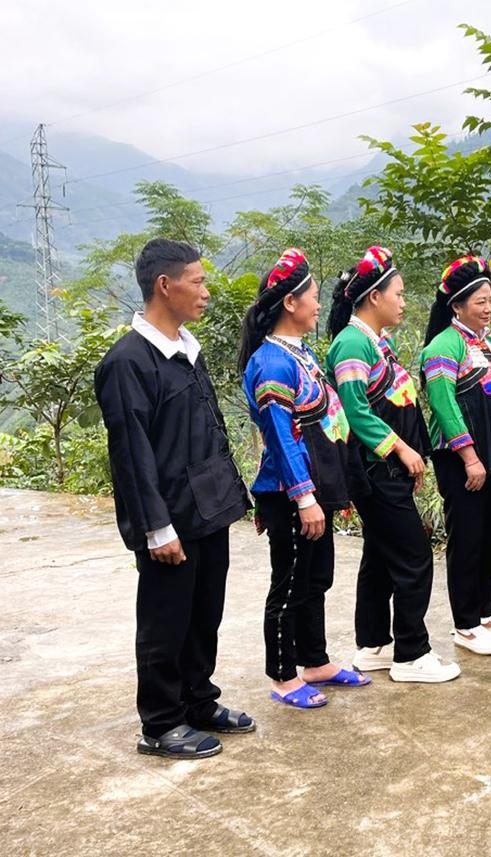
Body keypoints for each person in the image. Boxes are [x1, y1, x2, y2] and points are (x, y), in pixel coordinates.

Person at [94, 238, 253, 758]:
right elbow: (132, 453)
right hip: (170, 520)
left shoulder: (187, 348)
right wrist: (155, 528)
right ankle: (161, 722)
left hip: (209, 508)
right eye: (198, 280)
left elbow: (208, 432)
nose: (206, 291)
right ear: (166, 285)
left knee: (205, 613)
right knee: (165, 621)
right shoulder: (128, 362)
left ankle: (197, 700)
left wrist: (235, 499)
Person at [238, 248, 369, 710]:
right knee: (289, 582)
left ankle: (315, 660)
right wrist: (304, 496)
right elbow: (280, 436)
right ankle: (283, 675)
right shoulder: (272, 363)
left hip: (318, 491)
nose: (319, 304)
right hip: (290, 493)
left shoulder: (299, 352)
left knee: (317, 578)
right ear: (290, 303)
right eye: (313, 297)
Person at [327, 246, 460, 683]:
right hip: (375, 469)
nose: (403, 302)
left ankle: (373, 646)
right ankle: (411, 653)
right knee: (413, 557)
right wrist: (401, 450)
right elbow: (356, 410)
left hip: (389, 471)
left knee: (381, 557)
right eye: (398, 294)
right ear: (373, 297)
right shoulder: (350, 343)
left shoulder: (375, 342)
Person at [420, 256, 491, 656]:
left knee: (490, 534)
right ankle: (464, 624)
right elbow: (444, 405)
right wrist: (469, 456)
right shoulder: (442, 347)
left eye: (490, 299)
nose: (489, 307)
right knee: (467, 536)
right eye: (480, 301)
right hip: (462, 459)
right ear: (457, 306)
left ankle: (485, 613)